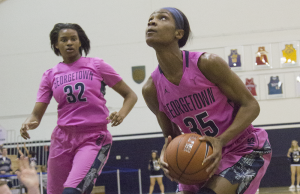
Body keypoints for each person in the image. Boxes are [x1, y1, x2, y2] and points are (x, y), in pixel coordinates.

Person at [142, 7, 272, 194]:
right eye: (150, 19)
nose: (152, 22)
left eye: (162, 18)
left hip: (243, 148)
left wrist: (220, 141)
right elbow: (171, 134)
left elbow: (251, 105)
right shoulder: (151, 89)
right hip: (201, 158)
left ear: (179, 33)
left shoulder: (207, 63)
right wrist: (167, 152)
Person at [20, 23, 137, 194]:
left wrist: (121, 114)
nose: (69, 43)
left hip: (93, 137)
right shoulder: (50, 75)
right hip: (62, 139)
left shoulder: (97, 65)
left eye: (73, 39)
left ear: (80, 42)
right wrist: (28, 122)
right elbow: (36, 115)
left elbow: (130, 95)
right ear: (56, 45)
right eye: (64, 40)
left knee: (72, 191)